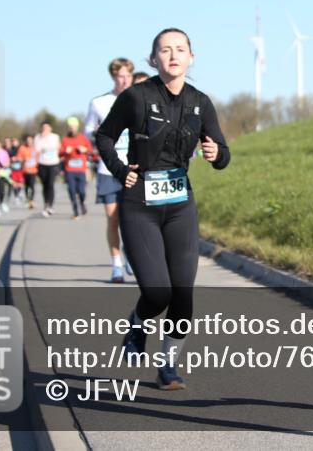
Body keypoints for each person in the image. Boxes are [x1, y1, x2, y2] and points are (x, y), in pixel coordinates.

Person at [96, 28, 230, 390]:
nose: (173, 55)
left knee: (183, 293)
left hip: (180, 204)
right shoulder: (136, 97)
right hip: (140, 204)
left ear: (191, 57)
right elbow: (104, 136)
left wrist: (217, 154)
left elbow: (222, 153)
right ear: (153, 59)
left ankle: (168, 365)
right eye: (165, 50)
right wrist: (120, 170)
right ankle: (138, 323)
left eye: (180, 49)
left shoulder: (200, 102)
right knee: (158, 293)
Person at [85, 57, 135, 282]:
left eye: (128, 76)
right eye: (120, 76)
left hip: (133, 169)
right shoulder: (99, 103)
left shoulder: (139, 100)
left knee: (131, 219)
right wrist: (95, 133)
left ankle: (131, 253)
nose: (124, 80)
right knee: (113, 219)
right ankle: (116, 265)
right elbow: (87, 131)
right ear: (113, 77)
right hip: (108, 170)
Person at [60, 116, 92, 220]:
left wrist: (84, 149)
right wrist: (65, 151)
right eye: (70, 127)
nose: (72, 129)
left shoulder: (82, 138)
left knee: (82, 191)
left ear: (77, 127)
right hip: (69, 170)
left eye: (74, 127)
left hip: (81, 170)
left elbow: (90, 150)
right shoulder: (65, 139)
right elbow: (59, 153)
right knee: (71, 190)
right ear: (68, 128)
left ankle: (82, 203)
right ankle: (75, 211)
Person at [34, 121, 61, 217]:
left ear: (50, 128)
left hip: (53, 163)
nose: (45, 129)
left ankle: (50, 205)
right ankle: (46, 203)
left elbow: (58, 148)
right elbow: (37, 150)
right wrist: (42, 138)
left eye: (47, 127)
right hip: (42, 164)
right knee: (44, 185)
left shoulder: (55, 137)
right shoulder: (38, 137)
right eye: (43, 128)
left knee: (50, 184)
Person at [17, 134, 38, 209]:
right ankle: (27, 198)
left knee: (32, 185)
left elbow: (39, 157)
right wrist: (23, 160)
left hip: (33, 170)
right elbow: (19, 158)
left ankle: (31, 200)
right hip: (25, 170)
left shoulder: (36, 148)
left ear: (33, 140)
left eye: (30, 140)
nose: (29, 142)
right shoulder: (22, 148)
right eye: (28, 140)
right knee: (26, 186)